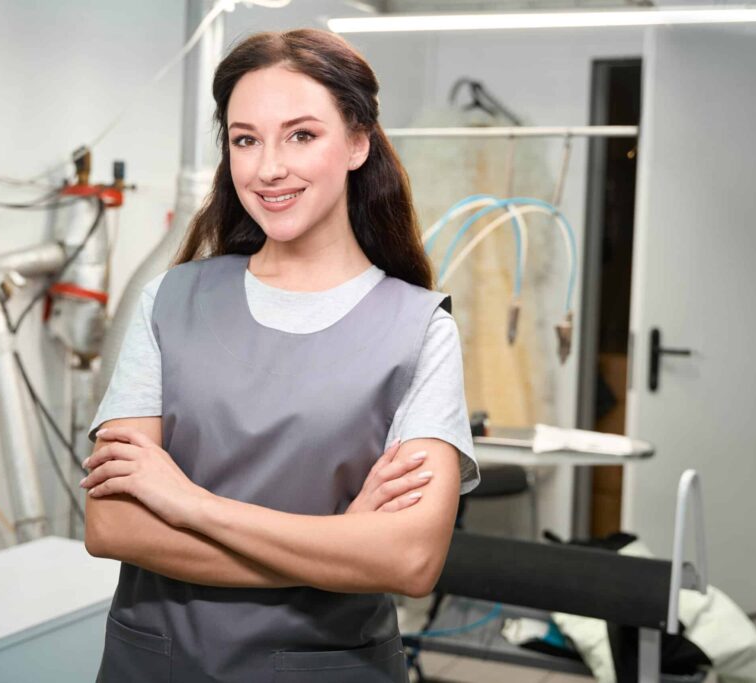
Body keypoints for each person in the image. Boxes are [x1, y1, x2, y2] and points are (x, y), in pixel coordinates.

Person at [81, 28, 480, 683]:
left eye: (301, 134)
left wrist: (189, 503)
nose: (268, 168)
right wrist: (339, 542)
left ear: (357, 142)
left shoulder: (418, 330)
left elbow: (408, 561)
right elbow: (112, 524)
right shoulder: (170, 300)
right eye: (246, 139)